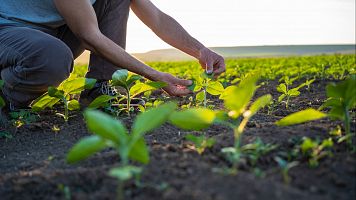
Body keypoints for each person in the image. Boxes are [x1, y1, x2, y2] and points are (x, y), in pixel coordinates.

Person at [0, 0, 225, 119]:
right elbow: (90, 37)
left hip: (50, 32)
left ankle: (98, 89)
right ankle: (6, 97)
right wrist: (156, 76)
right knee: (53, 57)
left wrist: (201, 51)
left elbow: (156, 17)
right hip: (9, 31)